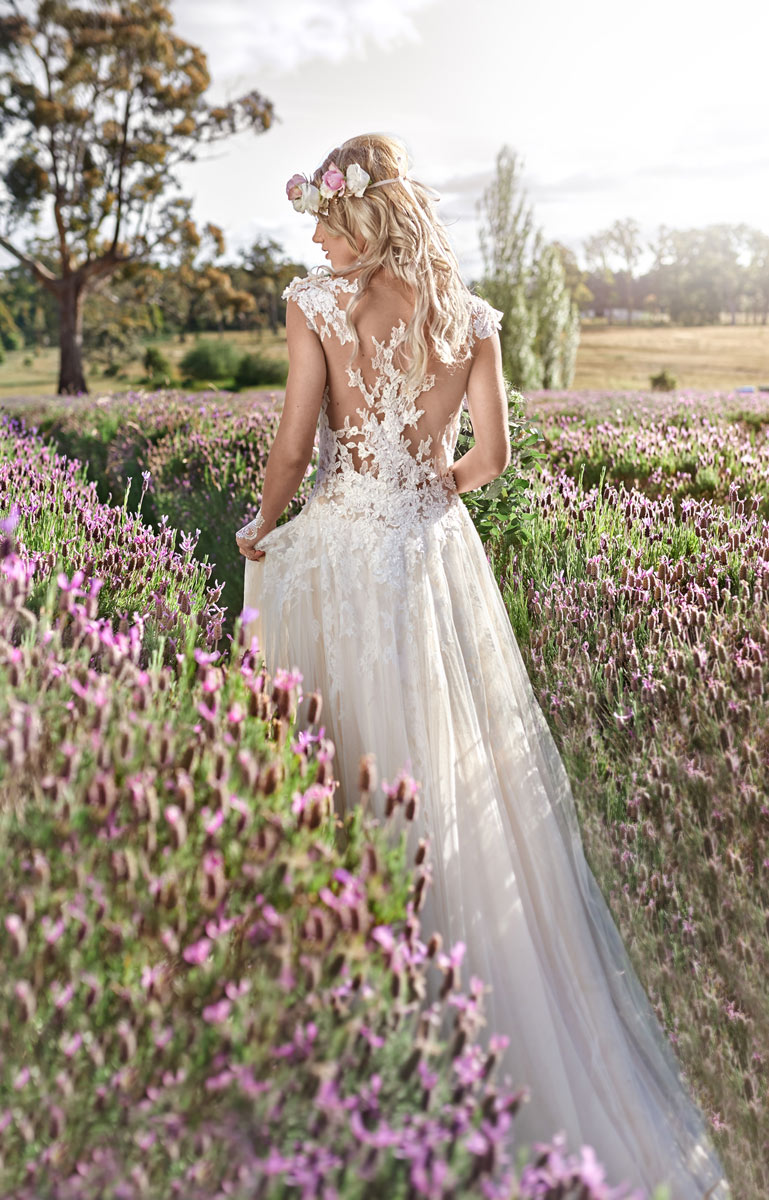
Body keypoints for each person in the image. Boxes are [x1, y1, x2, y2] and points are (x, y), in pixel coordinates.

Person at [236, 132, 731, 1199]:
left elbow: (290, 446)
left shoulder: (318, 307)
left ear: (361, 218)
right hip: (425, 562)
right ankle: (459, 1025)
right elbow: (492, 460)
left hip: (337, 562)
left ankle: (348, 1031)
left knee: (337, 780)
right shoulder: (474, 321)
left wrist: (261, 525)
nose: (316, 238)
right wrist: (427, 489)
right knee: (448, 787)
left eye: (324, 219)